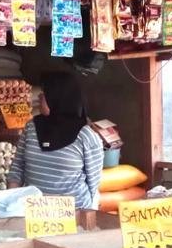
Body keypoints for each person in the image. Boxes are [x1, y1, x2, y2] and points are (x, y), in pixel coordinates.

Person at [7, 71, 103, 209]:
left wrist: (87, 214)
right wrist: (12, 202)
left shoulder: (86, 136)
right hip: (32, 212)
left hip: (73, 213)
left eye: (45, 93)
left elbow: (93, 182)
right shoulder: (31, 127)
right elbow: (17, 168)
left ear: (59, 97)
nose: (40, 96)